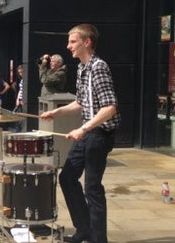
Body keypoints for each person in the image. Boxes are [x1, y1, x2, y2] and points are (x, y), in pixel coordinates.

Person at [39, 24, 121, 243]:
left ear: (87, 42)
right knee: (66, 178)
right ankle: (84, 229)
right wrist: (58, 111)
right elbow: (81, 102)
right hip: (88, 133)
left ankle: (98, 239)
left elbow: (110, 107)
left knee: (92, 188)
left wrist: (82, 129)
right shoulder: (82, 68)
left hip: (100, 134)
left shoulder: (98, 67)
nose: (68, 46)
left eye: (73, 41)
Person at [12, 64, 25, 132]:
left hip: (23, 101)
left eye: (21, 72)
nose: (20, 74)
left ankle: (18, 131)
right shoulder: (22, 80)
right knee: (16, 115)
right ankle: (17, 130)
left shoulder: (26, 80)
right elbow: (20, 90)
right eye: (19, 72)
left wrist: (23, 100)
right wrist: (17, 99)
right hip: (19, 99)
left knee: (21, 118)